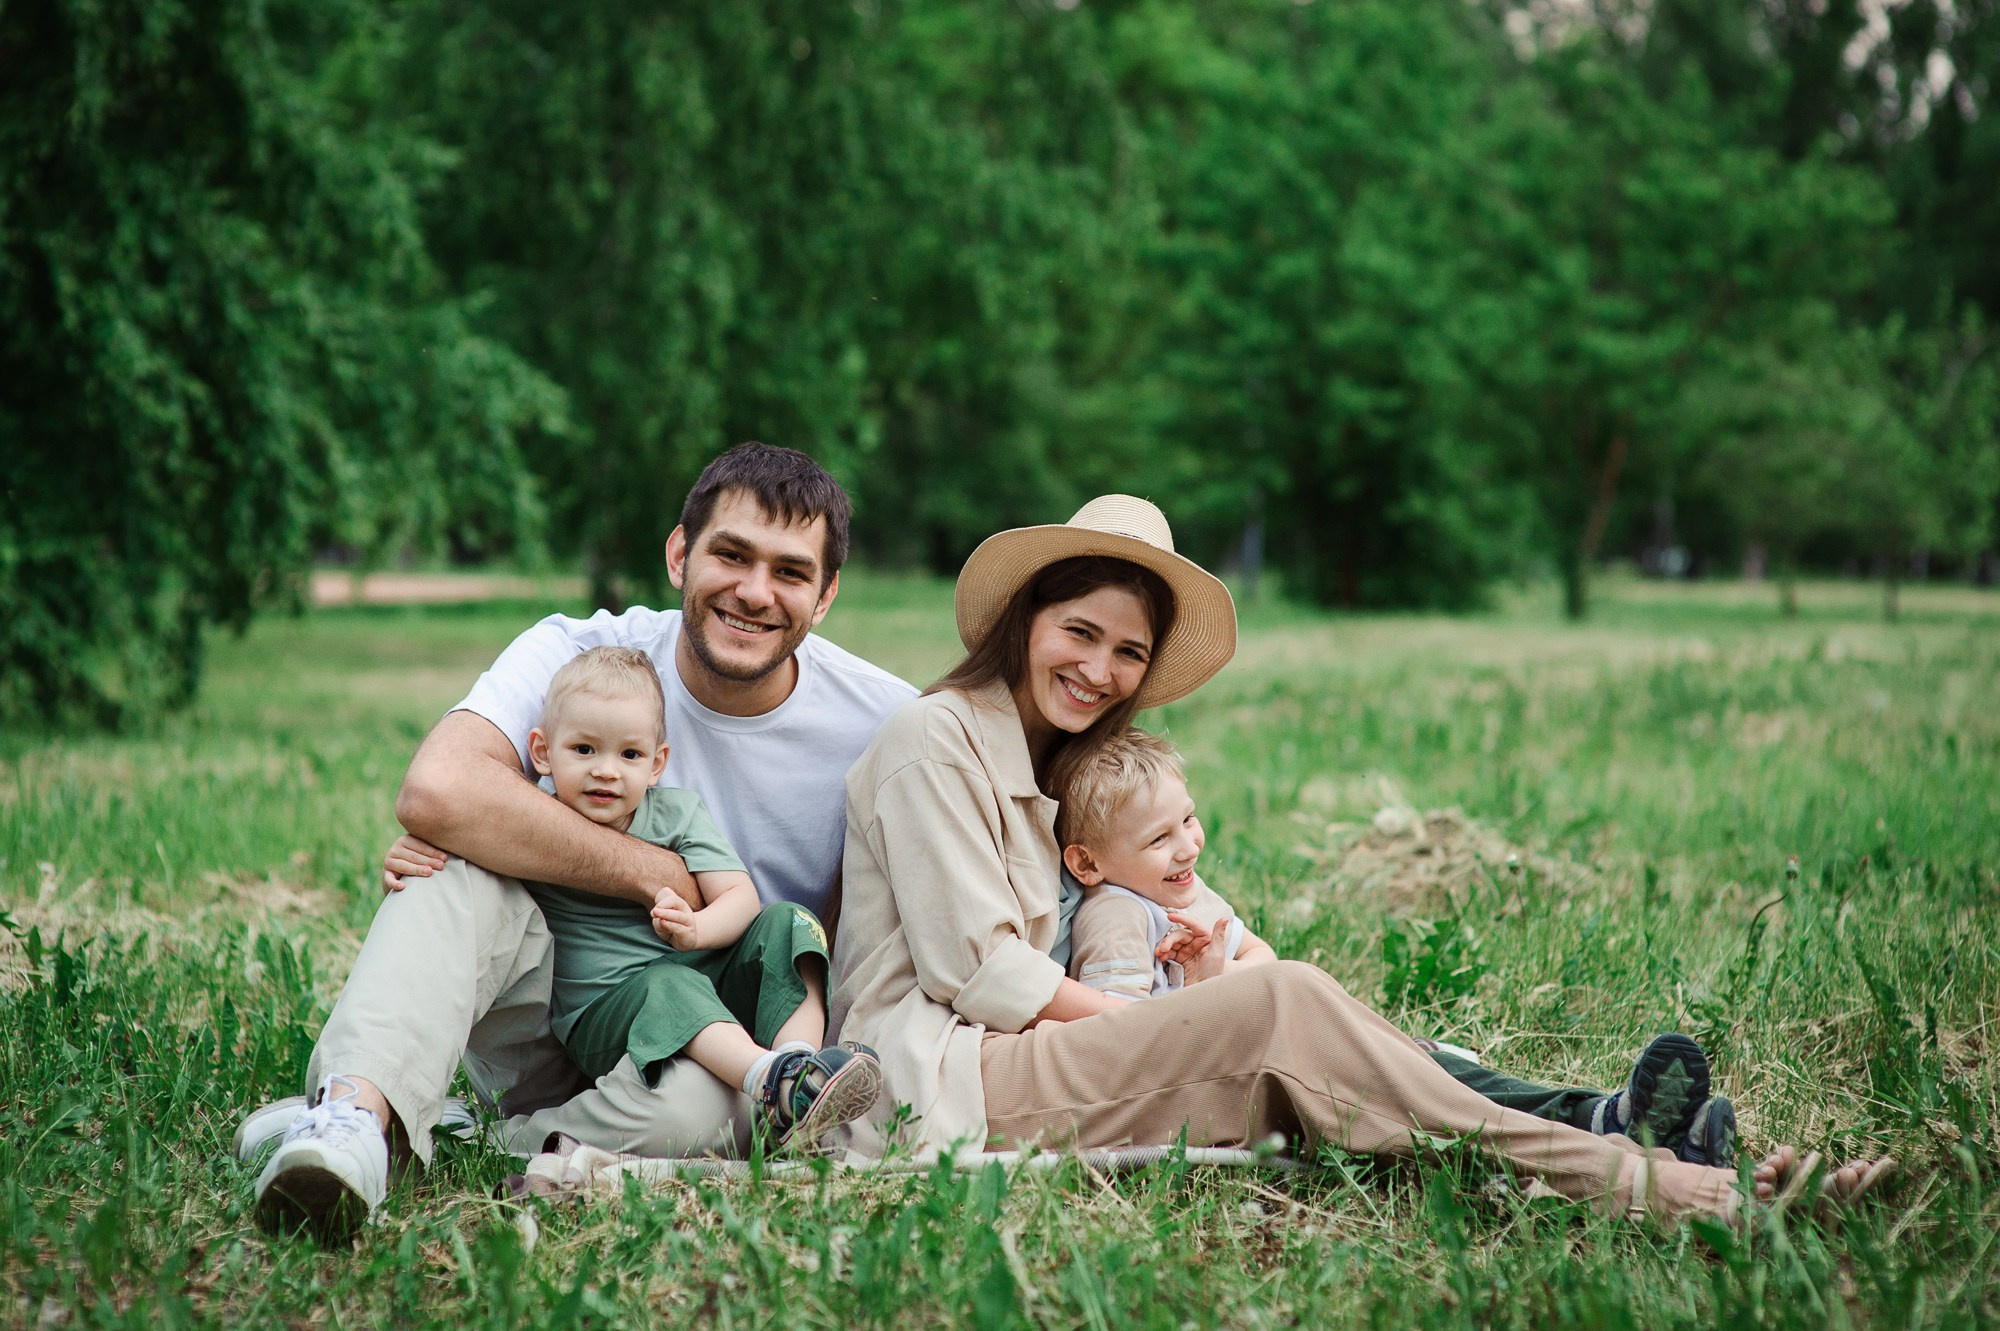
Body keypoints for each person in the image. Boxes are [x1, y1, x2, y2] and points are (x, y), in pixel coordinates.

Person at [828, 494, 1888, 1224]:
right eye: (1078, 630)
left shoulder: (1071, 768)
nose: (1099, 667)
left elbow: (1182, 917)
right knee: (1286, 1011)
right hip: (945, 1080)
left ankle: (1616, 1131)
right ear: (1025, 618)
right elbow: (984, 976)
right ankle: (1622, 1173)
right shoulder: (936, 739)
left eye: (1128, 651)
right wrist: (1170, 1021)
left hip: (1030, 1059)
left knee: (1317, 1027)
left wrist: (1210, 977)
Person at [250, 443, 917, 1242]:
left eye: (790, 571)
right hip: (555, 1001)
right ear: (679, 553)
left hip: (714, 1052)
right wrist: (661, 876)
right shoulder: (584, 656)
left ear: (828, 593)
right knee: (452, 868)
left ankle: (441, 1132)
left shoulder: (882, 722)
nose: (753, 591)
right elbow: (438, 789)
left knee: (710, 1110)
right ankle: (351, 1119)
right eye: (730, 554)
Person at [1052, 725, 1735, 1166]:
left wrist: (1214, 967)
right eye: (1159, 839)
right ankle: (1610, 1137)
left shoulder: (1183, 894)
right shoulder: (1118, 916)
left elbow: (1257, 959)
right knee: (1411, 1090)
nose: (1188, 844)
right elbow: (1134, 1039)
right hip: (1225, 1077)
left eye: (1190, 819)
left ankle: (1610, 1115)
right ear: (1087, 864)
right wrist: (1213, 981)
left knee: (1421, 1065)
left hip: (1255, 1037)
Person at [517, 646, 880, 1148]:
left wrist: (698, 930)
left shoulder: (677, 815)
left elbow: (739, 897)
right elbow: (466, 843)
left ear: (657, 763)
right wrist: (419, 848)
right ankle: (771, 1083)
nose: (606, 770)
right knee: (667, 981)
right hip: (603, 1020)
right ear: (542, 752)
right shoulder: (533, 821)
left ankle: (799, 1067)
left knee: (789, 922)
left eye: (629, 754)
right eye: (583, 750)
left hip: (697, 989)